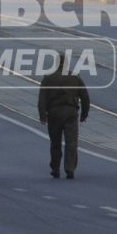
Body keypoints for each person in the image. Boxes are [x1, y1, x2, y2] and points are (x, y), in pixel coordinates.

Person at [36, 53, 91, 181]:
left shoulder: (48, 78)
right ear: (66, 63)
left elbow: (42, 100)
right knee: (71, 143)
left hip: (54, 114)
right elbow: (85, 98)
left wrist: (42, 116)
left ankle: (55, 169)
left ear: (55, 63)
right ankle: (69, 169)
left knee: (55, 143)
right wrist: (84, 114)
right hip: (71, 113)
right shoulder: (75, 77)